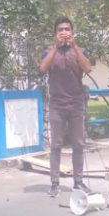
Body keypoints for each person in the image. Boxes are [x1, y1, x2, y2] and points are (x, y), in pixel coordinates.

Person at [39, 16, 92, 197]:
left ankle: (78, 182)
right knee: (56, 145)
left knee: (78, 144)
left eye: (67, 29)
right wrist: (55, 47)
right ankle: (54, 183)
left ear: (72, 32)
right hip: (57, 105)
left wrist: (75, 47)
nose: (64, 33)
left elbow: (88, 69)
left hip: (76, 104)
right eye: (60, 30)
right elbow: (42, 68)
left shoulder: (81, 51)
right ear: (55, 33)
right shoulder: (49, 52)